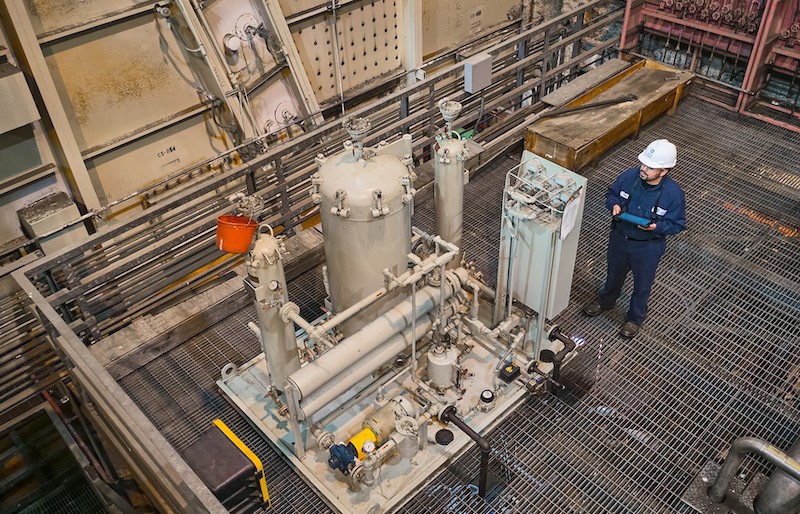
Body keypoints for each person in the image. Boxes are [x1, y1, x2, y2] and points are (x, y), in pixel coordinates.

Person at [583, 139, 686, 338]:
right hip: (620, 238)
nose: (644, 169)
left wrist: (656, 227)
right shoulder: (629, 176)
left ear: (664, 171)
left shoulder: (673, 195)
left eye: (650, 167)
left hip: (647, 247)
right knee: (613, 274)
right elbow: (612, 194)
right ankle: (606, 301)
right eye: (643, 163)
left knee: (642, 284)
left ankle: (634, 319)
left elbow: (677, 224)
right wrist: (614, 205)